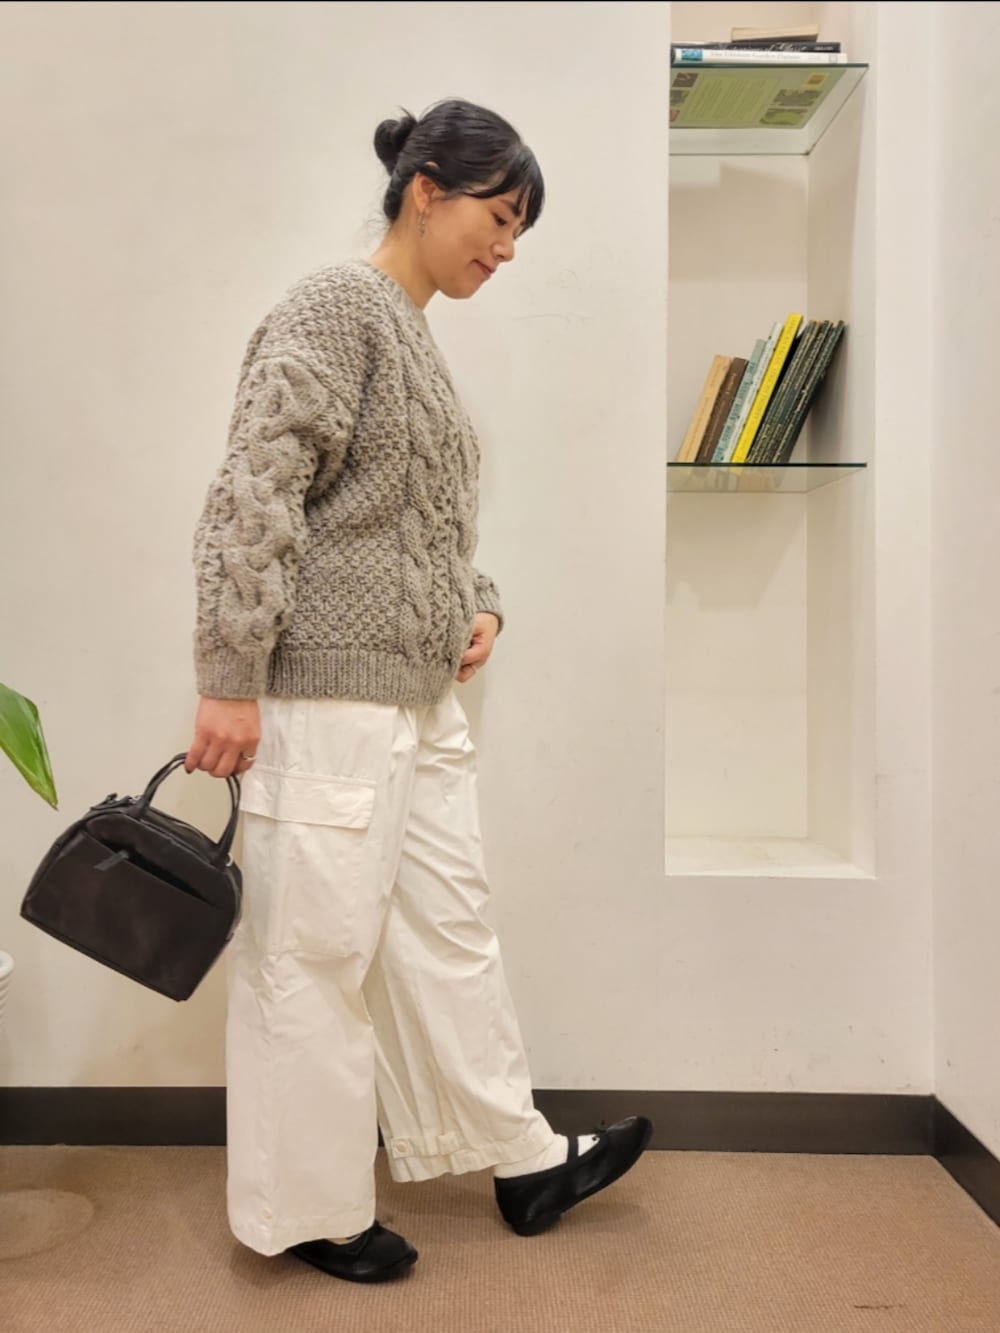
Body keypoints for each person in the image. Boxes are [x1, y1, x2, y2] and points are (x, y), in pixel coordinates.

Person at [185, 97, 652, 1284]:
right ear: (427, 188)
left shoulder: (412, 337)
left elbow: (411, 517)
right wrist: (229, 677)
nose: (506, 248)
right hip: (327, 699)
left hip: (412, 698)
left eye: (521, 231)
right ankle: (307, 1210)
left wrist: (477, 599)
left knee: (449, 929)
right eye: (499, 217)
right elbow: (255, 492)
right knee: (312, 957)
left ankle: (517, 1154)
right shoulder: (335, 307)